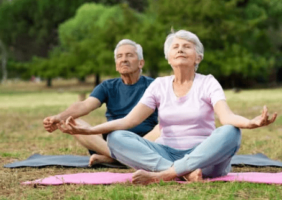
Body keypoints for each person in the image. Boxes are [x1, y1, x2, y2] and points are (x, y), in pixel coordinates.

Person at [57, 30, 277, 184]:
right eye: (176, 47)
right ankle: (181, 172)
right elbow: (128, 121)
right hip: (166, 153)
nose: (180, 49)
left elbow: (226, 117)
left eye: (187, 47)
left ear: (197, 56)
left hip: (204, 157)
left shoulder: (208, 82)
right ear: (168, 57)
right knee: (116, 137)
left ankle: (164, 175)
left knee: (231, 132)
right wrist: (89, 130)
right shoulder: (159, 85)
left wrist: (250, 122)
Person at [43, 39, 159, 166]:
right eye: (119, 56)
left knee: (164, 127)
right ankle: (121, 158)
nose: (124, 59)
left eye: (129, 55)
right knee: (72, 122)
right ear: (116, 65)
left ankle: (117, 158)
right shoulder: (108, 86)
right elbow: (85, 105)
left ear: (141, 63)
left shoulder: (154, 85)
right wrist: (58, 117)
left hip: (145, 141)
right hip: (111, 142)